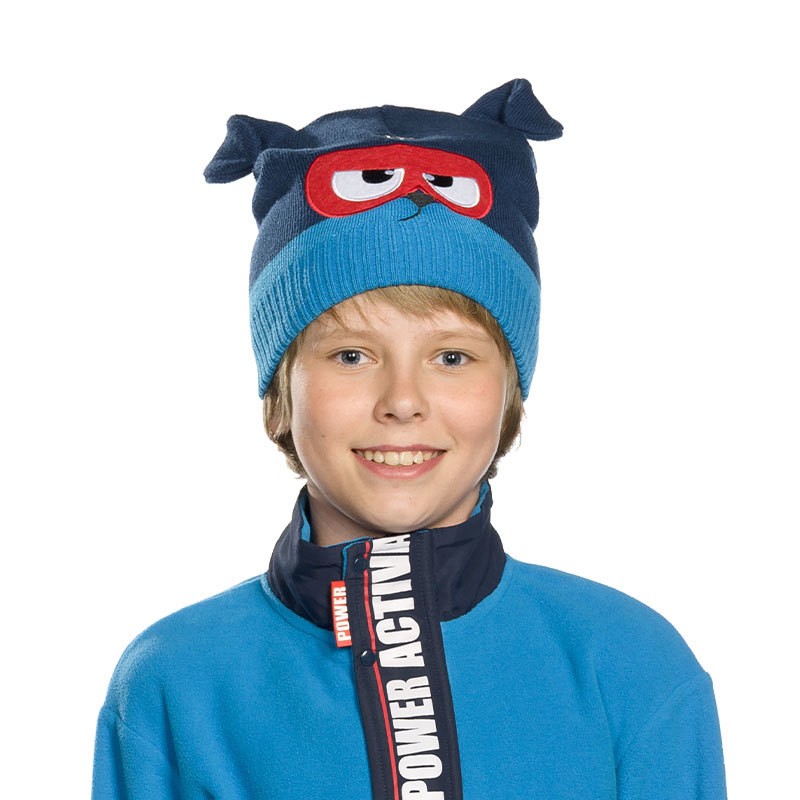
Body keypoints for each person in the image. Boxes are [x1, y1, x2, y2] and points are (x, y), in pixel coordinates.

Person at [91, 78, 728, 799]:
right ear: (280, 396)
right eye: (351, 355)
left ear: (509, 393)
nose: (402, 401)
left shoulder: (628, 664)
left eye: (452, 357)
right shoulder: (177, 682)